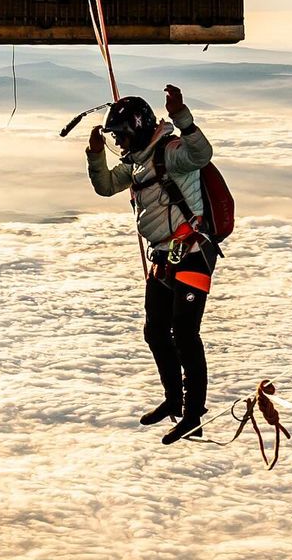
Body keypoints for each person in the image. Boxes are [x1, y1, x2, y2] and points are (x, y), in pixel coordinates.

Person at [86, 84, 214, 445]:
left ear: (138, 129)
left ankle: (193, 415)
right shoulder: (141, 161)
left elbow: (201, 154)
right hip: (163, 256)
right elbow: (107, 186)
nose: (120, 144)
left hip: (191, 254)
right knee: (156, 332)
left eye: (122, 137)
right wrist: (96, 155)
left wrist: (182, 116)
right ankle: (173, 398)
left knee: (185, 334)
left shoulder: (171, 153)